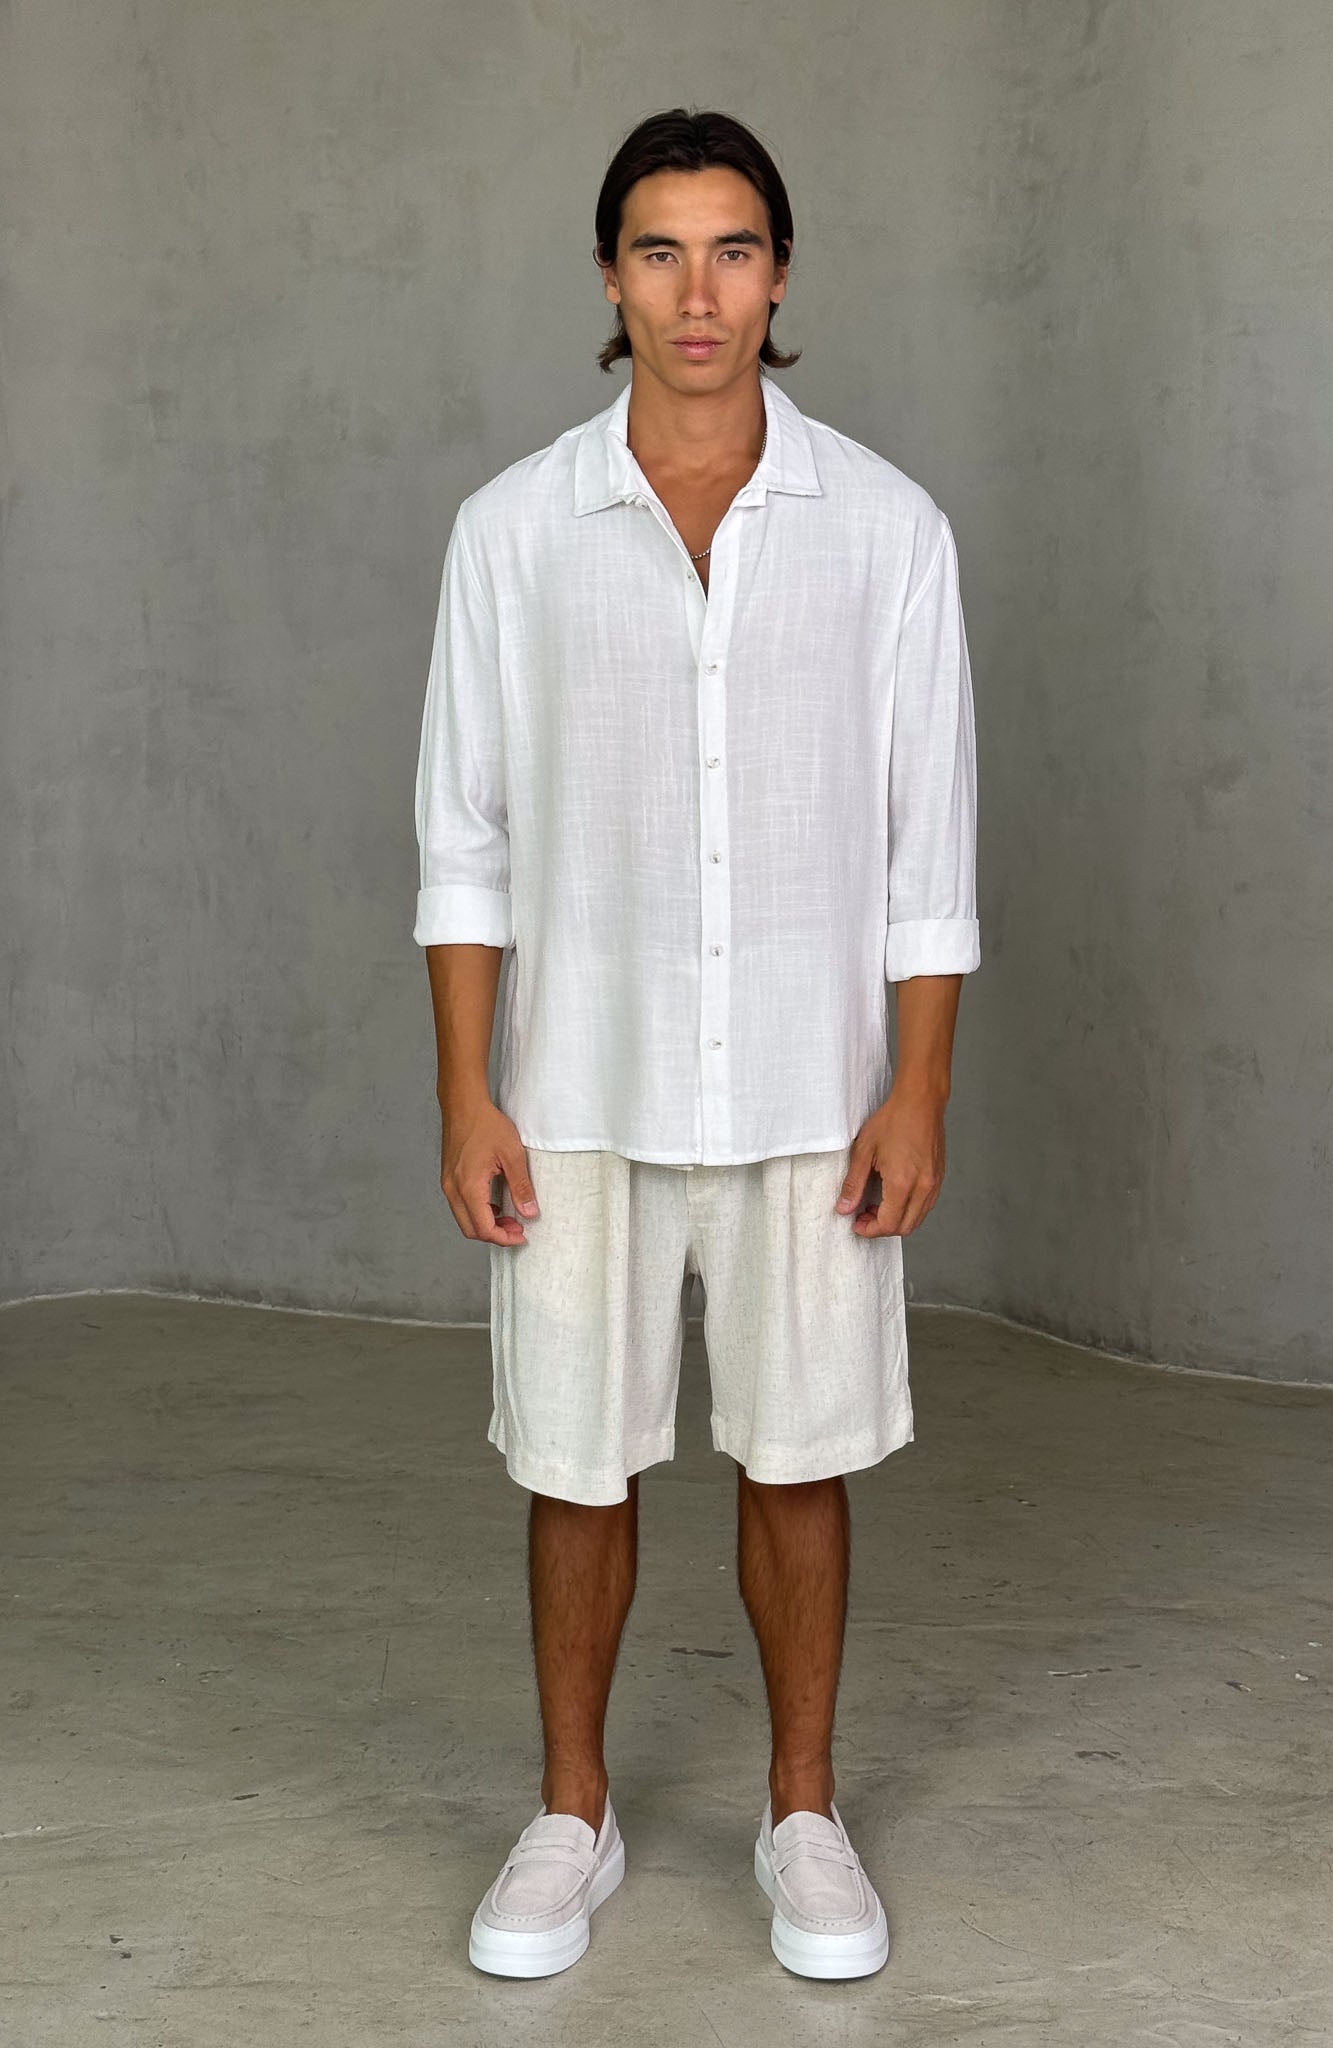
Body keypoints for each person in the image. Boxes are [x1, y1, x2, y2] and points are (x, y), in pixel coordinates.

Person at [413, 105, 980, 1983]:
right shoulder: (512, 532)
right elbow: (463, 841)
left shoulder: (886, 529)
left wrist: (916, 1087)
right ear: (608, 278)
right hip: (575, 1081)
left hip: (812, 1086)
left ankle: (801, 1814)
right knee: (573, 1464)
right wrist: (467, 1092)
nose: (697, 292)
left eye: (732, 250)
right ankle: (568, 1816)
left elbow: (927, 848)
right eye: (658, 251)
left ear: (780, 273)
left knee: (797, 1457)